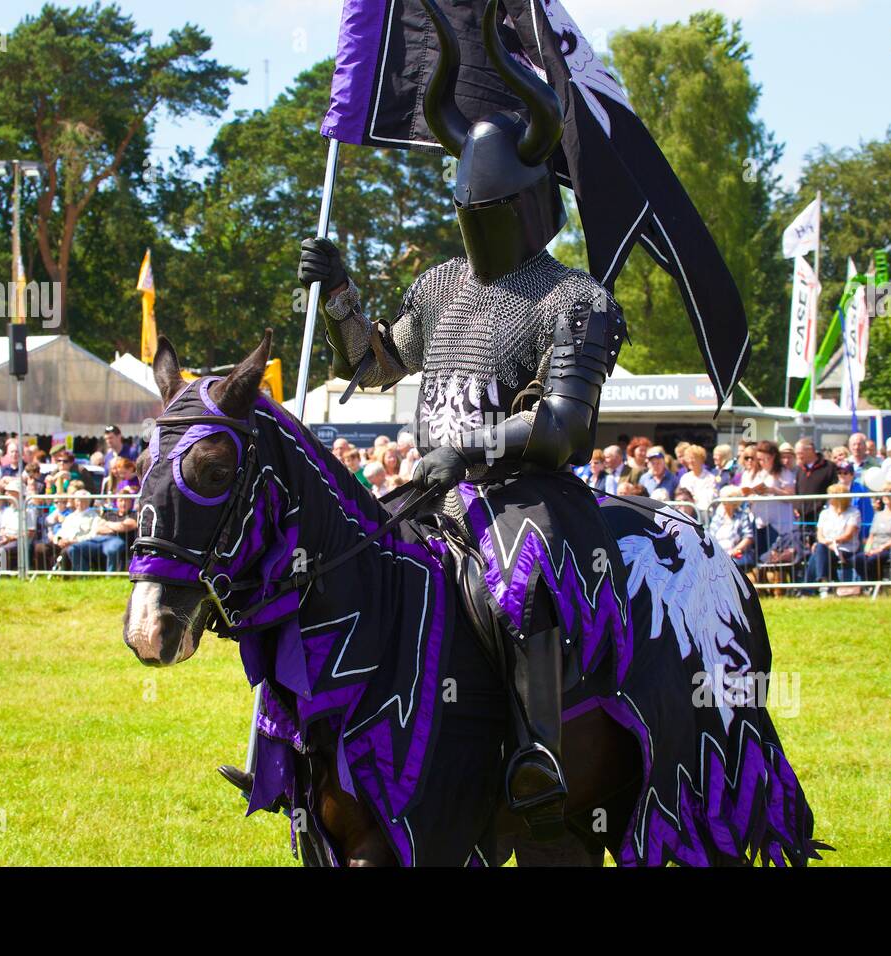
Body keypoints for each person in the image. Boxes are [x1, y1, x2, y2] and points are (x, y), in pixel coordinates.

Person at [297, 3, 636, 836]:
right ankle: (317, 750)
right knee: (335, 574)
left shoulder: (576, 300)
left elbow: (562, 429)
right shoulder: (444, 285)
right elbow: (375, 365)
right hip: (438, 491)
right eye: (465, 210)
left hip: (528, 495)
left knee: (525, 585)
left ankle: (539, 749)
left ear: (526, 203)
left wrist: (473, 445)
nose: (473, 224)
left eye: (488, 210)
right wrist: (341, 296)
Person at [745, 439, 797, 558]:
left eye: (765, 459)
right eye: (759, 459)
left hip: (777, 525)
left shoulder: (783, 473)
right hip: (758, 522)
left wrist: (772, 490)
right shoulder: (757, 473)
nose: (761, 462)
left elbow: (791, 496)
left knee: (772, 558)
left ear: (773, 456)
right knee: (759, 557)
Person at [803, 483, 860, 588]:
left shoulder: (854, 512)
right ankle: (823, 582)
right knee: (820, 549)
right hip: (826, 546)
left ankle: (813, 588)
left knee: (817, 553)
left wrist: (830, 542)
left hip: (845, 548)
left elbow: (848, 535)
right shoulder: (825, 513)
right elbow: (819, 534)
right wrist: (826, 543)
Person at [67, 488, 136, 572]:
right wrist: (116, 527)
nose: (123, 503)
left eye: (126, 501)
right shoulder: (109, 514)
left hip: (118, 541)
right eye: (121, 500)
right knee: (73, 548)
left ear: (131, 502)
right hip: (100, 539)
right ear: (116, 502)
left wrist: (108, 524)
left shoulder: (133, 515)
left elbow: (125, 527)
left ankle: (110, 578)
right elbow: (98, 529)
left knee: (112, 549)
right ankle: (83, 577)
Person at [849, 480, 891, 582]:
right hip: (875, 549)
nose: (886, 495)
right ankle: (869, 583)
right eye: (884, 492)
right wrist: (867, 550)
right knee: (858, 559)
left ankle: (882, 584)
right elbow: (871, 536)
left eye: (890, 492)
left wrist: (881, 548)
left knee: (875, 559)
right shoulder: (878, 515)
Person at [793, 437, 836, 532]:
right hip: (803, 518)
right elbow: (797, 490)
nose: (798, 457)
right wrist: (796, 507)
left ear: (810, 450)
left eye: (800, 453)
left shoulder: (829, 467)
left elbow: (833, 489)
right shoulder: (799, 469)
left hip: (822, 516)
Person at [709, 486, 755, 570]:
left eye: (728, 499)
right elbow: (711, 537)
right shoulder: (717, 517)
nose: (725, 502)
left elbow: (748, 538)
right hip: (718, 556)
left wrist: (733, 551)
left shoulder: (742, 516)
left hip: (737, 556)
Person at [677, 444, 719, 517]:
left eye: (693, 458)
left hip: (705, 514)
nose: (690, 461)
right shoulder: (685, 478)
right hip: (688, 513)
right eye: (688, 458)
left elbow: (712, 497)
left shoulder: (710, 477)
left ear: (701, 460)